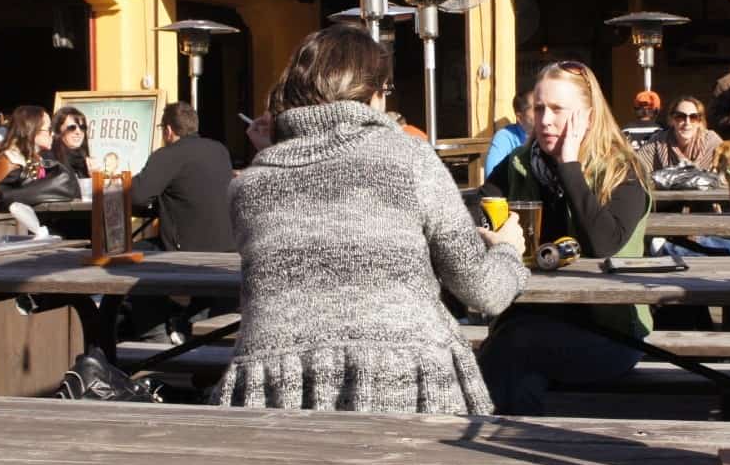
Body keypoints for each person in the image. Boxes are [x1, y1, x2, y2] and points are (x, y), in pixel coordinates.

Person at [212, 24, 528, 415]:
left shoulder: (250, 185)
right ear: (375, 94)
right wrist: (509, 251)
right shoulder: (409, 158)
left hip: (278, 399)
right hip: (408, 388)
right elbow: (484, 293)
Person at [476, 60, 653, 416]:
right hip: (528, 320)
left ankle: (496, 448)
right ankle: (518, 448)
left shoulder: (623, 170)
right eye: (539, 108)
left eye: (557, 109)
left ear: (588, 115)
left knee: (511, 349)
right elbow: (478, 207)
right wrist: (488, 235)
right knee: (512, 359)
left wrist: (569, 165)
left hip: (610, 332)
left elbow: (604, 244)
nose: (544, 120)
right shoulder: (520, 163)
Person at [121, 102, 237, 343]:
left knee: (132, 258)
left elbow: (137, 195)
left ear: (168, 131)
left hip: (190, 252)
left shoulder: (168, 155)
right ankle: (184, 322)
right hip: (228, 249)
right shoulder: (219, 150)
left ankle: (153, 337)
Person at [634, 95, 723, 173]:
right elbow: (636, 168)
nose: (687, 123)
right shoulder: (658, 141)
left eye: (693, 117)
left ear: (700, 122)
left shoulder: (712, 142)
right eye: (681, 117)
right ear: (672, 119)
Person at [0, 105, 53, 202]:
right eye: (49, 129)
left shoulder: (34, 158)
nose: (52, 134)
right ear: (32, 130)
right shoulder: (10, 161)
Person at [483, 89, 534, 175]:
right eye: (536, 108)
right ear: (519, 117)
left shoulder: (548, 135)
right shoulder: (504, 138)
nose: (544, 113)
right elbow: (491, 176)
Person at [47, 105, 92, 179]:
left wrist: (92, 176)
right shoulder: (50, 160)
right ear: (58, 131)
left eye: (82, 127)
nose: (78, 132)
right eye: (72, 128)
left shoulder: (84, 160)